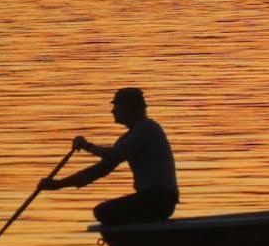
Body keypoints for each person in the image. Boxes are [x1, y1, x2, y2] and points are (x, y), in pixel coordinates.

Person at [38, 87, 178, 225]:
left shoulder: (146, 129)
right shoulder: (129, 137)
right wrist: (59, 184)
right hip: (152, 199)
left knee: (104, 212)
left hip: (159, 199)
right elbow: (100, 169)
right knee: (102, 212)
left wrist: (87, 146)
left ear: (129, 108)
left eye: (116, 106)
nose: (112, 111)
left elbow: (113, 156)